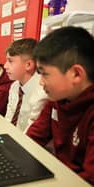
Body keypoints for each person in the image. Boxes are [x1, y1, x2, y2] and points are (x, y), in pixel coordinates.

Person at [26, 26, 94, 185]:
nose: (41, 82)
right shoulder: (58, 99)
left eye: (44, 74)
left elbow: (89, 179)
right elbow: (34, 137)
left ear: (76, 74)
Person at [4, 38, 47, 132]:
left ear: (28, 65)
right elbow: (8, 118)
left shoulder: (41, 93)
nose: (5, 66)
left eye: (10, 61)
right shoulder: (15, 86)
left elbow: (31, 131)